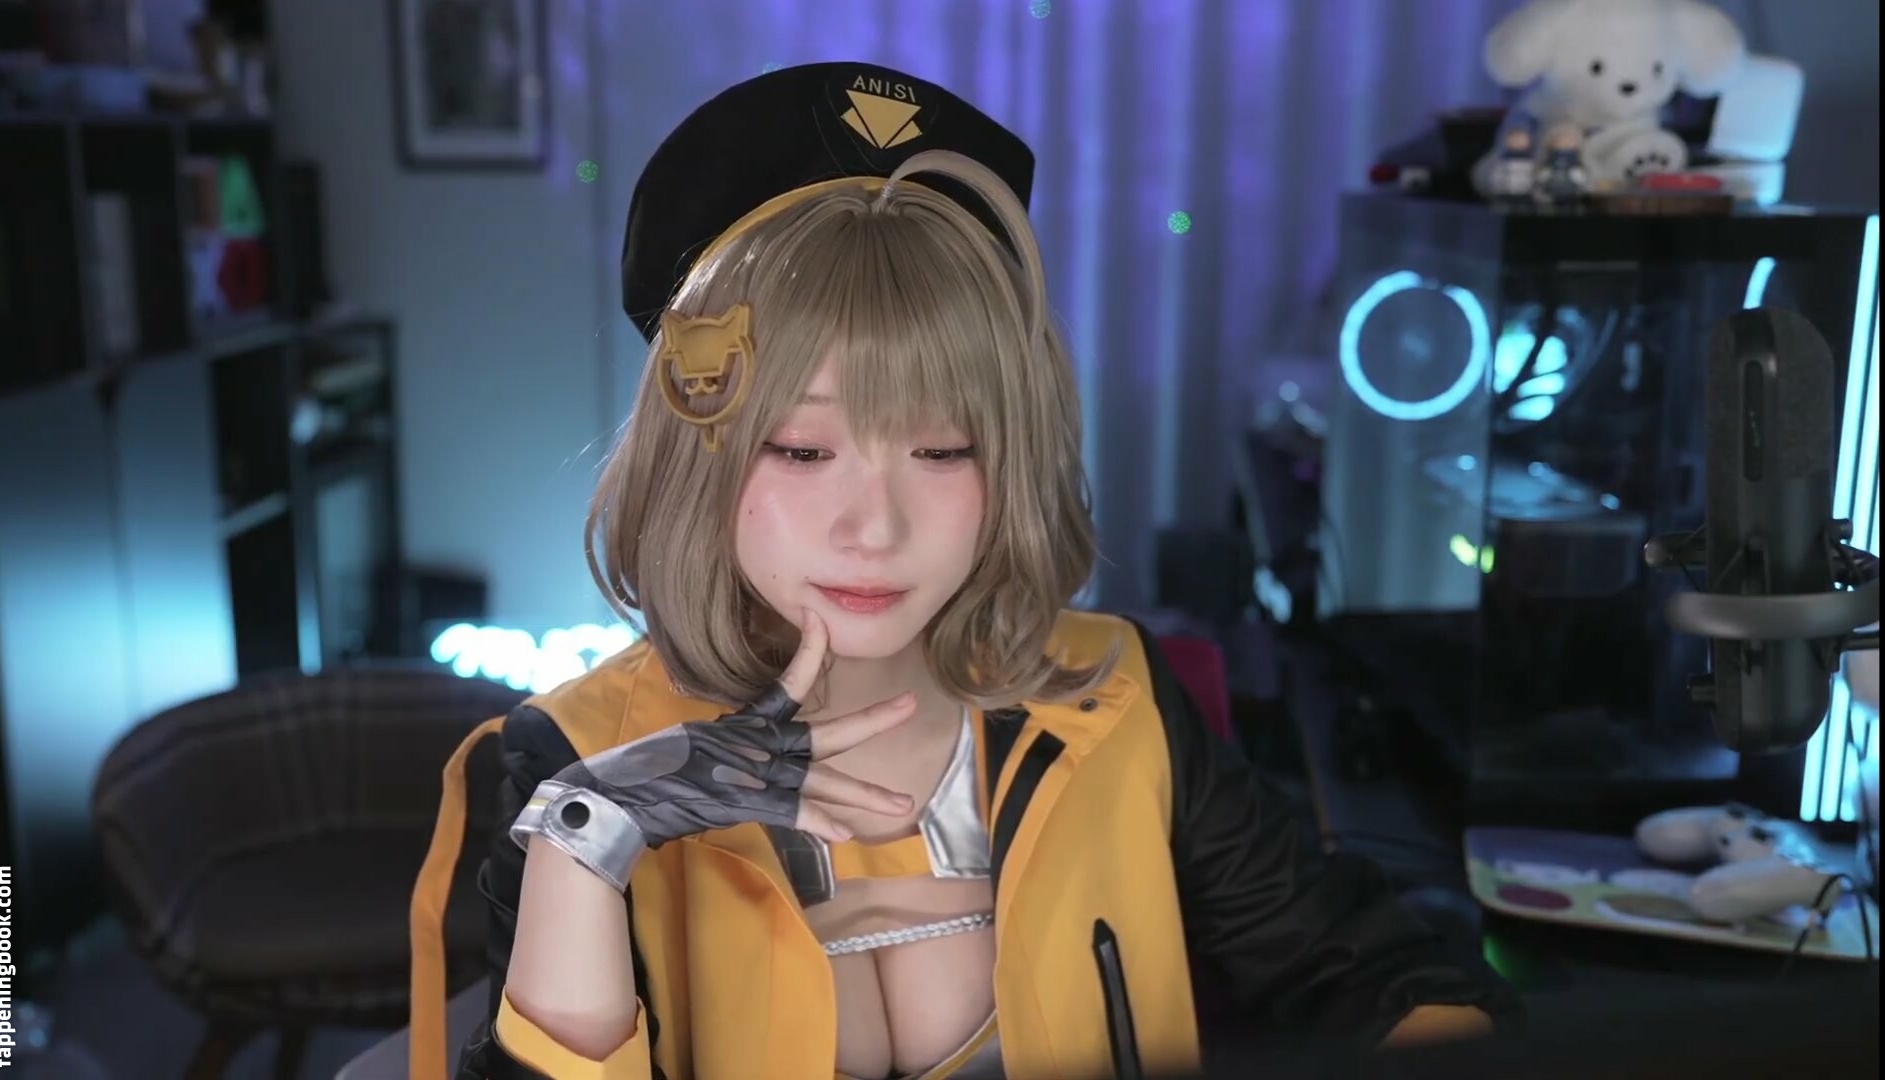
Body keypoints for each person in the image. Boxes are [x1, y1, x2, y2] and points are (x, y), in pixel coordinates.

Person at [408, 62, 1517, 1080]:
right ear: (700, 453)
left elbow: (1370, 977)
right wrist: (593, 834)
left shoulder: (1114, 695)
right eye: (801, 449)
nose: (874, 526)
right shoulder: (576, 752)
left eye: (943, 450)